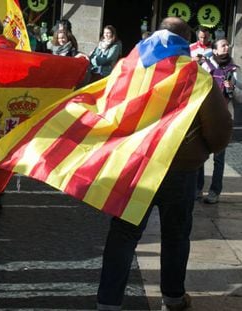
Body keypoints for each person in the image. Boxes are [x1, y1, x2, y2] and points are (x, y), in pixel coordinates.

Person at [96, 17, 232, 311]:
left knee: (123, 236)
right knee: (175, 235)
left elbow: (106, 112)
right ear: (186, 40)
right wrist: (201, 150)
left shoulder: (127, 69)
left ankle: (108, 302)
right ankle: (172, 298)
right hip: (179, 171)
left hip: (134, 167)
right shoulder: (196, 76)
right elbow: (220, 132)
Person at [196, 38, 241, 204]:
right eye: (223, 45)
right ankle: (198, 188)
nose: (226, 47)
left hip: (223, 119)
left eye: (227, 44)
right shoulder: (206, 66)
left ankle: (214, 191)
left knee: (219, 158)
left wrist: (232, 88)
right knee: (200, 154)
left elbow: (240, 97)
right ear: (214, 50)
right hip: (205, 116)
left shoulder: (234, 70)